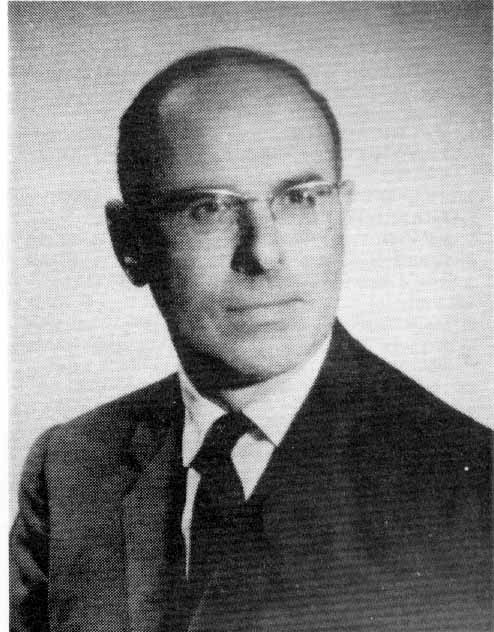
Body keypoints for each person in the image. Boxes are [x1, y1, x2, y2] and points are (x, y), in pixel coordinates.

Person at [10, 47, 492, 632]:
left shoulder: (471, 487)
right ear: (128, 242)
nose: (263, 253)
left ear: (341, 216)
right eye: (208, 208)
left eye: (300, 198)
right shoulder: (71, 469)